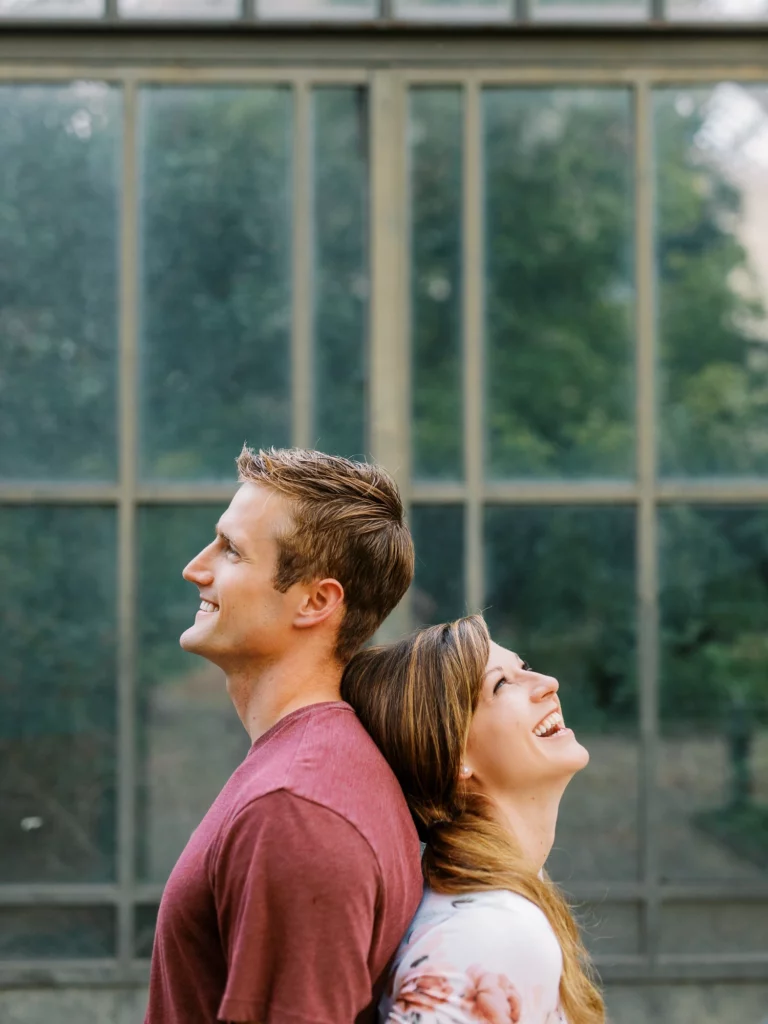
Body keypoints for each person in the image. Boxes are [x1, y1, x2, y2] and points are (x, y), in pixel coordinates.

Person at [145, 447, 423, 1024]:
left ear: (316, 602)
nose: (195, 569)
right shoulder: (313, 773)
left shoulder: (295, 809)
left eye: (231, 550)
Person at [342, 615, 605, 1024]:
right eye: (501, 684)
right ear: (454, 753)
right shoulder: (487, 934)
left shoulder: (492, 906)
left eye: (525, 667)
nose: (548, 683)